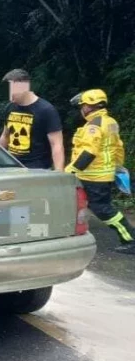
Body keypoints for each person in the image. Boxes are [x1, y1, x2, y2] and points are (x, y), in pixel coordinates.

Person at [66, 89, 134, 255]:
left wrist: (70, 170)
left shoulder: (94, 126)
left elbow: (89, 152)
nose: (81, 109)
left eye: (82, 106)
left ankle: (130, 239)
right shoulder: (109, 121)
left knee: (102, 208)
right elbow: (118, 147)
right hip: (102, 173)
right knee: (80, 203)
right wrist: (117, 166)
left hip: (93, 175)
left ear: (89, 106)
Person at [0, 69, 64, 170]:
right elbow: (5, 135)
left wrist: (59, 174)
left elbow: (56, 145)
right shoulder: (10, 108)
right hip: (13, 167)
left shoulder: (46, 110)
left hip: (37, 170)